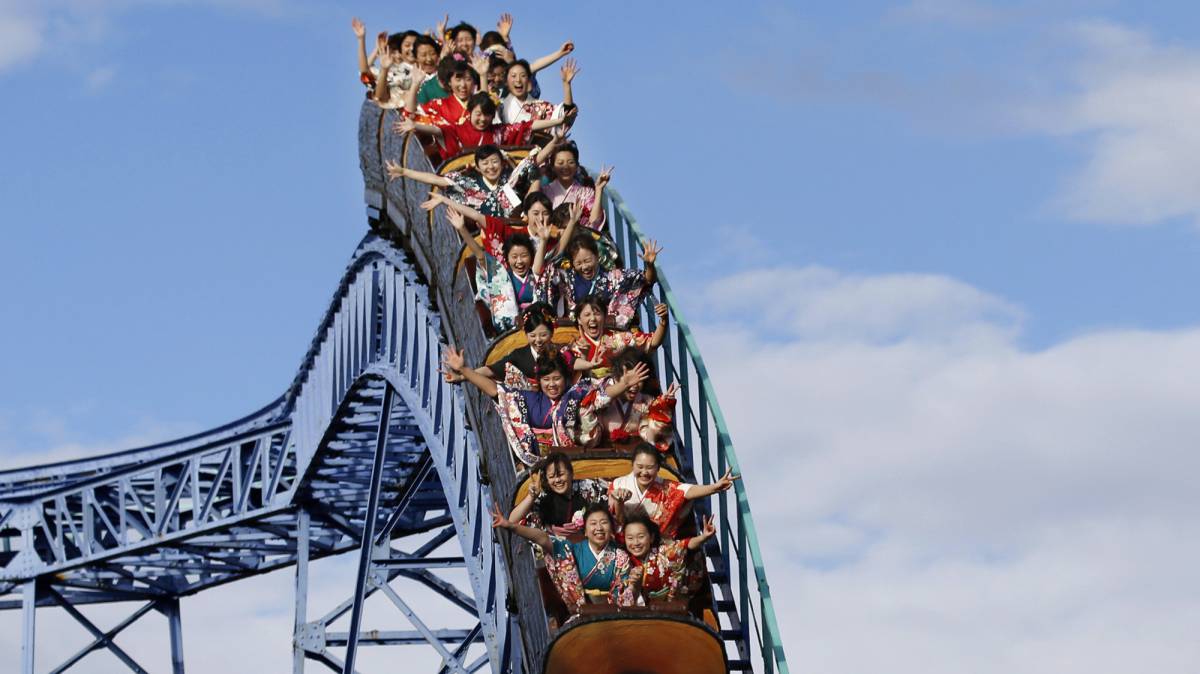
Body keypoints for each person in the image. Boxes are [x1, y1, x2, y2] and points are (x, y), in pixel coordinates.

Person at [442, 349, 596, 465]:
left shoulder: (577, 394)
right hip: (542, 464)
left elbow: (602, 395)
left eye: (557, 378)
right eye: (546, 379)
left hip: (578, 460)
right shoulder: (530, 399)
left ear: (565, 378)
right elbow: (497, 391)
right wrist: (464, 370)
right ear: (539, 381)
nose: (552, 384)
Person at [491, 502, 638, 610]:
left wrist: (634, 584)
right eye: (593, 523)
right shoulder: (570, 550)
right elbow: (543, 538)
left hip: (610, 617)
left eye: (604, 523)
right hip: (578, 616)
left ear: (611, 529)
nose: (599, 528)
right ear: (585, 531)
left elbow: (625, 593)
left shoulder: (620, 557)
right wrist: (511, 526)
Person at [439, 205, 552, 333]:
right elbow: (480, 255)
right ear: (507, 258)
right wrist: (462, 229)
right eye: (514, 257)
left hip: (539, 326)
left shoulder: (536, 273)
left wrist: (543, 240)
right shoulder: (500, 275)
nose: (519, 261)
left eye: (524, 256)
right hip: (510, 329)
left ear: (531, 257)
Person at [387, 141, 562, 217]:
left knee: (526, 171)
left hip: (517, 221)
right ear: (477, 167)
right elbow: (436, 179)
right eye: (485, 163)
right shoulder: (468, 183)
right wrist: (404, 171)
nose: (491, 167)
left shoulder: (509, 179)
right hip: (488, 228)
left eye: (494, 162)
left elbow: (532, 162)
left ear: (501, 163)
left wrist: (555, 141)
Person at [396, 92, 575, 161]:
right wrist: (415, 125)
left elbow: (527, 126)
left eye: (487, 115)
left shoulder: (498, 132)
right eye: (478, 114)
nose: (482, 119)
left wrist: (557, 122)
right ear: (469, 112)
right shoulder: (455, 130)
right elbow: (437, 130)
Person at [609, 443, 738, 538]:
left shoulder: (667, 487)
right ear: (632, 465)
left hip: (657, 545)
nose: (644, 472)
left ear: (658, 468)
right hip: (627, 542)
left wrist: (714, 487)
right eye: (640, 467)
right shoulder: (619, 484)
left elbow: (687, 490)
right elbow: (616, 520)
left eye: (650, 467)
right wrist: (618, 501)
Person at [553, 234, 659, 329]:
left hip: (610, 334)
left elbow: (647, 279)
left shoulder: (615, 278)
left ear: (597, 256)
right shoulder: (567, 280)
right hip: (579, 335)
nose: (584, 267)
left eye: (587, 261)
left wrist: (650, 265)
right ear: (572, 263)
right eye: (578, 263)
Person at [580, 354, 679, 452]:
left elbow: (652, 435)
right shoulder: (599, 390)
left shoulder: (646, 402)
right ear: (616, 377)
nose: (634, 385)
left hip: (636, 455)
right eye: (630, 379)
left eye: (639, 379)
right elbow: (592, 405)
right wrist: (624, 385)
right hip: (602, 454)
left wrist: (662, 407)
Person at [508, 452, 610, 535]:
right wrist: (531, 497)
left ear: (571, 474)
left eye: (561, 475)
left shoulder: (587, 487)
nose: (557, 480)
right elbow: (512, 520)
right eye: (552, 477)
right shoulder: (544, 497)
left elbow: (608, 506)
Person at [567, 296, 668, 379]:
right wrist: (585, 358)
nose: (593, 319)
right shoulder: (573, 347)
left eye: (597, 314)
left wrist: (663, 320)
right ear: (579, 319)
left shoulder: (620, 338)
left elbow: (653, 342)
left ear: (605, 316)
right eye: (587, 315)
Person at [622, 514, 715, 603]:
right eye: (630, 538)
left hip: (673, 607)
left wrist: (703, 537)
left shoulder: (663, 553)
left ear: (651, 537)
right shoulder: (623, 562)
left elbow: (685, 544)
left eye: (641, 537)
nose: (636, 542)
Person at [542, 143, 608, 231]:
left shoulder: (586, 193)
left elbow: (594, 223)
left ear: (577, 166)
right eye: (560, 163)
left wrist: (599, 189)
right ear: (553, 167)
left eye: (571, 162)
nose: (566, 166)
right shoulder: (545, 191)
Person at [497, 58, 577, 125]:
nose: (518, 80)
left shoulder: (541, 107)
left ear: (529, 81)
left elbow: (565, 114)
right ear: (506, 82)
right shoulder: (500, 105)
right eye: (513, 76)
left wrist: (566, 85)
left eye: (523, 76)